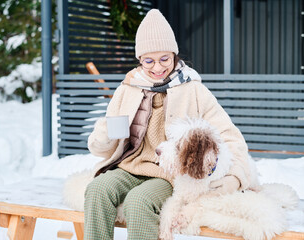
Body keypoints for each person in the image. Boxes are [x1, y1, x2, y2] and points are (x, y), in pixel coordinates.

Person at [84, 9, 252, 240]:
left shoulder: (193, 89)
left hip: (169, 174)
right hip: (130, 165)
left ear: (174, 55)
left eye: (165, 59)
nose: (157, 68)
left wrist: (235, 177)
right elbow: (100, 148)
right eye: (148, 61)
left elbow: (230, 137)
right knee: (97, 189)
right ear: (139, 59)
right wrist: (106, 130)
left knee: (139, 201)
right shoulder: (127, 88)